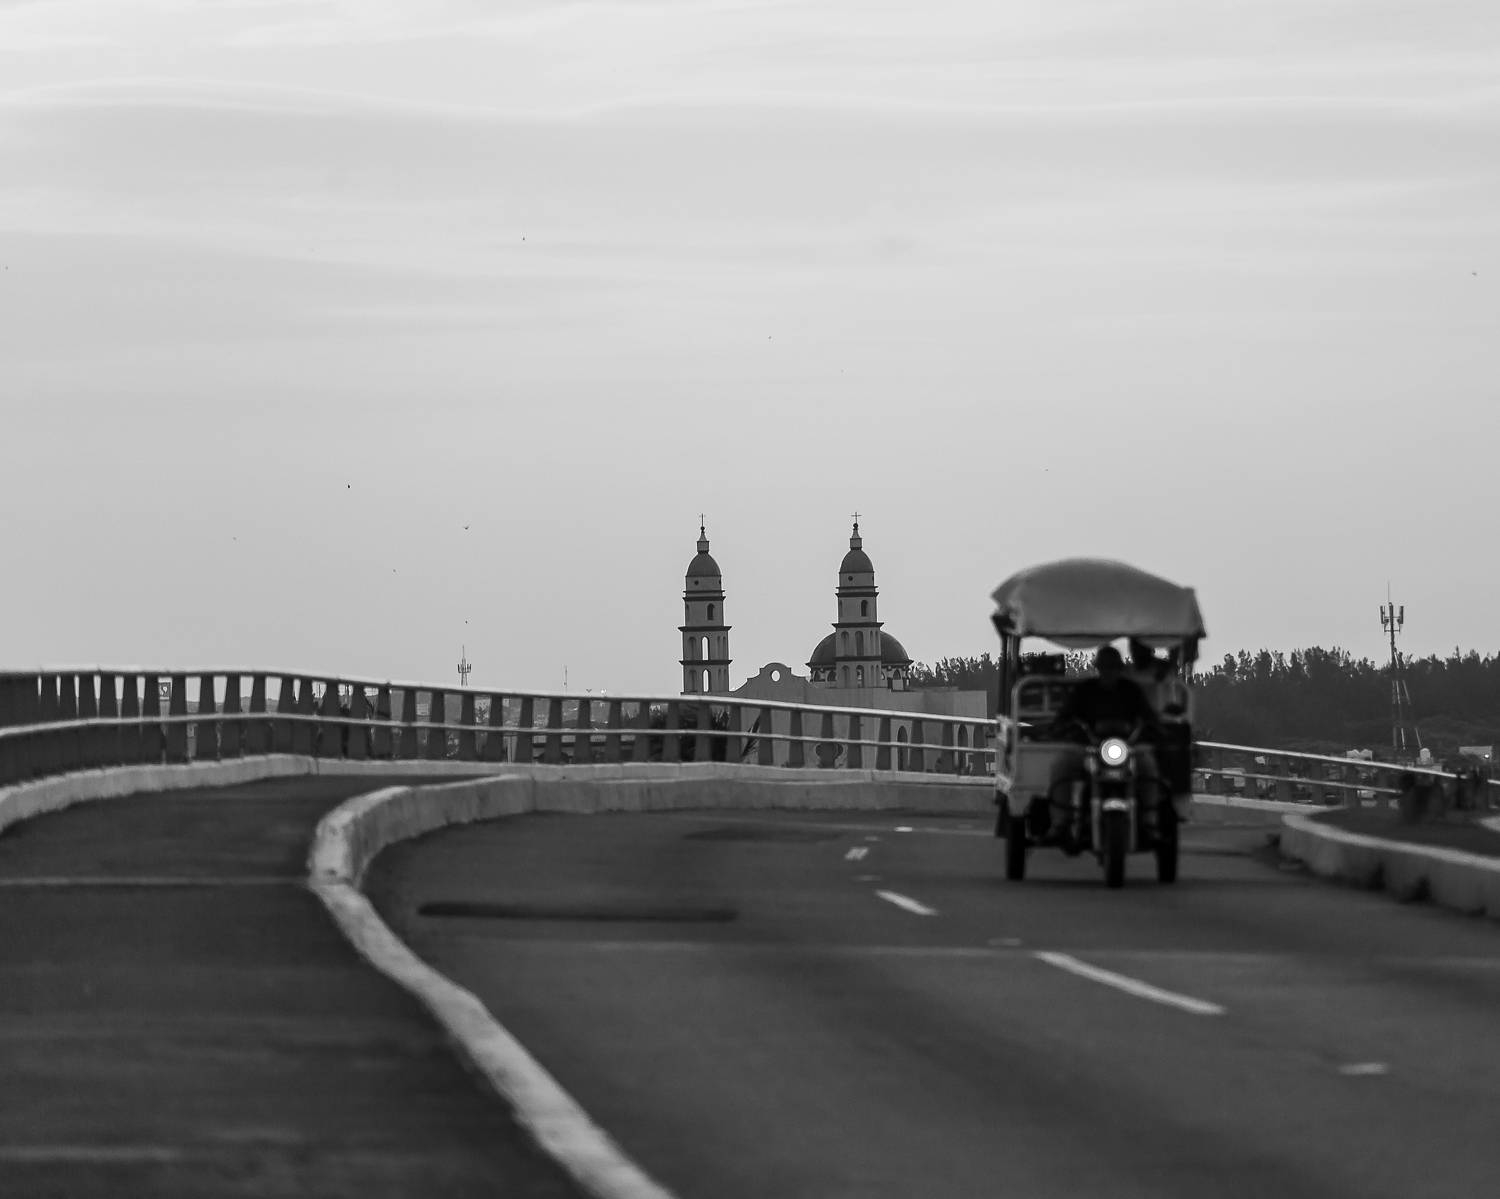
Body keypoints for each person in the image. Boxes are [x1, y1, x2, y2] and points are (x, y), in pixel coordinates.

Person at [1048, 646, 1163, 836]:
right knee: (1061, 764)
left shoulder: (1131, 690)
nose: (1109, 672)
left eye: (1113, 667)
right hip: (1089, 747)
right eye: (1105, 667)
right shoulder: (1085, 690)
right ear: (1098, 668)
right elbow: (1065, 715)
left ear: (1120, 669)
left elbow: (1148, 716)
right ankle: (1060, 822)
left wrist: (1154, 728)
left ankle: (1150, 821)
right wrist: (1063, 726)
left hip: (1127, 747)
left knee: (1149, 765)